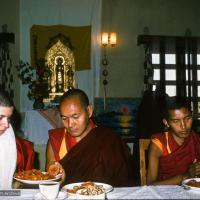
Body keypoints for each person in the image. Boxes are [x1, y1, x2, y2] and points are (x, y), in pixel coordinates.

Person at [46, 89, 134, 187]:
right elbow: (50, 183)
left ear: (89, 111)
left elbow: (123, 184)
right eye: (64, 118)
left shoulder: (109, 140)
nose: (70, 124)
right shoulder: (56, 140)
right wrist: (60, 181)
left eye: (75, 116)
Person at [147, 96, 200, 185]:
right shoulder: (159, 144)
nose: (183, 126)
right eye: (176, 121)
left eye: (187, 118)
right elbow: (150, 185)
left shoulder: (195, 138)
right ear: (166, 122)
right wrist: (186, 176)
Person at [0, 91, 35, 189]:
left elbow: (7, 190)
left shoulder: (10, 141)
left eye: (8, 119)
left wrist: (14, 187)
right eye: (0, 117)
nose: (6, 125)